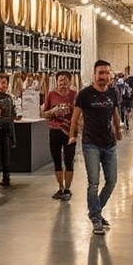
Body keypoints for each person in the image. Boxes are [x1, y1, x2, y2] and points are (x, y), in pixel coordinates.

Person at [68, 59, 121, 236]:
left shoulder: (113, 93)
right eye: (100, 73)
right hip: (91, 144)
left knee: (112, 181)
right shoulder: (84, 94)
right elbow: (75, 118)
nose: (104, 77)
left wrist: (118, 131)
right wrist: (72, 135)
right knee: (94, 183)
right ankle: (96, 219)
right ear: (94, 74)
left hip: (109, 144)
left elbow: (115, 112)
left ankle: (95, 211)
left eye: (107, 73)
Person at [43, 71, 77, 200]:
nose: (63, 83)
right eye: (60, 80)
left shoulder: (74, 95)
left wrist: (76, 127)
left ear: (69, 82)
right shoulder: (51, 95)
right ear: (56, 82)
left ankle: (68, 189)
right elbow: (43, 113)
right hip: (55, 131)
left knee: (69, 160)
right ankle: (60, 187)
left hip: (70, 132)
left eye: (65, 80)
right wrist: (53, 111)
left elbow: (79, 114)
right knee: (57, 160)